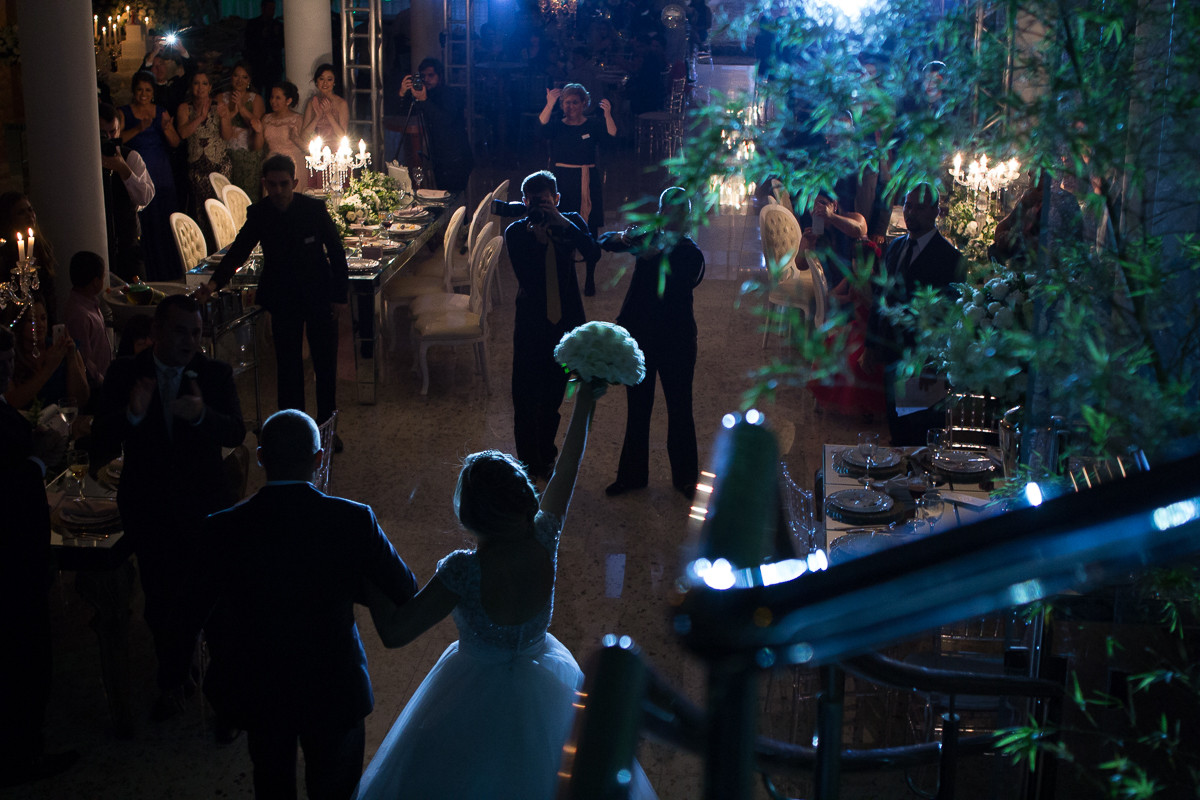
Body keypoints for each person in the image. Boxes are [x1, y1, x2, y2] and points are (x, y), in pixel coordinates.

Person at [356, 381, 656, 800]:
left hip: (470, 694)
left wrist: (367, 567)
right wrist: (585, 402)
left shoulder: (463, 571)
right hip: (546, 681)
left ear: (472, 513)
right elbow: (569, 462)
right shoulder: (543, 537)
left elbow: (394, 633)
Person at [201, 409, 419, 799]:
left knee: (271, 783)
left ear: (262, 457)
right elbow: (404, 589)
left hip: (261, 686)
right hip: (335, 685)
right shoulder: (354, 520)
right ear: (319, 459)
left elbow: (200, 607)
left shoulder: (223, 527)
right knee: (336, 788)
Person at [91, 294, 246, 720]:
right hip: (150, 507)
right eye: (180, 331)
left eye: (196, 333)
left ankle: (222, 689)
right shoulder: (126, 374)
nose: (190, 341)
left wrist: (201, 416)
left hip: (205, 509)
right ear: (156, 331)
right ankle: (172, 680)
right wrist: (133, 416)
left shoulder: (213, 374)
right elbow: (99, 438)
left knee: (213, 600)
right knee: (160, 601)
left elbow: (235, 431)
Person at [200, 155, 348, 442]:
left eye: (283, 184)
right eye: (272, 185)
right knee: (288, 368)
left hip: (318, 293)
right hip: (283, 296)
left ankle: (328, 430)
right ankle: (294, 431)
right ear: (264, 184)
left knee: (325, 366)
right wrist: (214, 283)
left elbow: (337, 252)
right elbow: (239, 251)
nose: (278, 191)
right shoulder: (261, 213)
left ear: (294, 183)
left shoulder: (314, 210)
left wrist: (339, 296)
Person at [0, 324, 76, 789]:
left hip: (19, 548)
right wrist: (39, 462)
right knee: (24, 653)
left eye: (8, 360)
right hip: (14, 553)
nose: (8, 368)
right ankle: (23, 752)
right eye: (2, 361)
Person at [600, 187, 705, 498]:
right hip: (642, 336)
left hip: (677, 338)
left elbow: (680, 277)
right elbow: (604, 242)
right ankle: (632, 476)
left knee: (680, 408)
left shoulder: (690, 252)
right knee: (638, 408)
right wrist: (623, 237)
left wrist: (656, 253)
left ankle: (686, 478)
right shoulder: (649, 238)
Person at [504, 170, 598, 480]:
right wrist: (538, 242)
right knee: (525, 399)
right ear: (524, 202)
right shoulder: (517, 232)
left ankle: (546, 455)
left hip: (565, 326)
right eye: (534, 202)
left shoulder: (570, 222)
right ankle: (528, 464)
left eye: (547, 202)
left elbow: (593, 252)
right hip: (531, 326)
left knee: (553, 398)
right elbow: (528, 280)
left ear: (557, 199)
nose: (541, 208)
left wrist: (561, 224)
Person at [867, 183, 963, 444]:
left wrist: (931, 364)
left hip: (922, 361)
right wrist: (871, 344)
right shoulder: (896, 247)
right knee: (895, 429)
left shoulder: (950, 259)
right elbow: (881, 298)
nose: (911, 212)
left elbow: (948, 318)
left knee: (918, 432)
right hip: (892, 354)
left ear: (936, 212)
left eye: (919, 207)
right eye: (908, 205)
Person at [537, 83, 616, 296]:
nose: (569, 106)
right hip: (562, 181)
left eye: (574, 102)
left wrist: (608, 114)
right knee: (561, 227)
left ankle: (590, 277)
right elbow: (542, 127)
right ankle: (565, 277)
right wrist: (550, 103)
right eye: (566, 102)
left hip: (586, 182)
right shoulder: (557, 125)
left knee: (589, 229)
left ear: (583, 104)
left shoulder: (592, 125)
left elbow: (611, 138)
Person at [121, 71, 182, 280]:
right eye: (140, 90)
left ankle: (168, 270)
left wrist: (166, 129)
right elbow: (118, 140)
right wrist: (139, 128)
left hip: (161, 171)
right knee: (144, 220)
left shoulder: (161, 111)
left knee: (163, 220)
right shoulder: (124, 113)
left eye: (148, 90)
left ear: (153, 92)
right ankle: (149, 271)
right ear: (133, 91)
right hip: (138, 172)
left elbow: (175, 142)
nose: (143, 94)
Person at [397, 58, 474, 193]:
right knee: (442, 198)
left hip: (456, 159)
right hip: (439, 160)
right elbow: (405, 114)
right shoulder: (425, 95)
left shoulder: (451, 94)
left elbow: (445, 120)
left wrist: (424, 100)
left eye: (431, 75)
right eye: (423, 76)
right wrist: (403, 93)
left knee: (455, 202)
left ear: (440, 76)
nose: (426, 79)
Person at [100, 102, 157, 283]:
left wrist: (124, 170)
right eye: (104, 134)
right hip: (99, 241)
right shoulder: (86, 159)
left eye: (113, 132)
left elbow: (145, 197)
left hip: (128, 244)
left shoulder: (131, 157)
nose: (110, 138)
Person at [1, 297, 89, 412]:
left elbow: (81, 399)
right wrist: (49, 368)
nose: (40, 325)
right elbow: (11, 402)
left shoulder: (63, 348)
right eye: (31, 320)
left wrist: (71, 358)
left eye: (43, 318)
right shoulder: (10, 356)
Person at [176, 69, 233, 235]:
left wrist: (224, 118)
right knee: (200, 211)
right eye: (196, 83)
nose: (200, 87)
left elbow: (227, 136)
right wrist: (200, 117)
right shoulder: (184, 108)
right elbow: (183, 133)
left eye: (204, 83)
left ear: (210, 87)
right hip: (197, 167)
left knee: (220, 210)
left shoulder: (220, 107)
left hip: (219, 164)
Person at [0, 192, 58, 323]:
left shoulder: (42, 247)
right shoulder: (4, 253)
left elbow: (50, 292)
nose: (29, 216)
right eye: (21, 212)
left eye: (30, 210)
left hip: (42, 318)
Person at [63, 251, 112, 390]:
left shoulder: (90, 304)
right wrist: (102, 381)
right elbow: (84, 358)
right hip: (94, 385)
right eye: (103, 277)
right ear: (96, 282)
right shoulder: (79, 314)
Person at [220, 62, 266, 202]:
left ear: (249, 80)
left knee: (248, 196)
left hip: (248, 152)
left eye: (244, 77)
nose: (239, 80)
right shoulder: (221, 98)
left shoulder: (255, 99)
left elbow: (256, 124)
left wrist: (241, 107)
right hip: (225, 151)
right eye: (236, 76)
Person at [261, 81, 306, 187]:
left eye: (278, 98)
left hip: (292, 165)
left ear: (288, 100)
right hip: (272, 164)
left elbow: (307, 148)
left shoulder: (297, 119)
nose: (273, 101)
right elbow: (259, 145)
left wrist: (295, 138)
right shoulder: (266, 118)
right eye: (272, 97)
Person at [243, 0, 284, 95]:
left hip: (274, 67)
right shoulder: (253, 24)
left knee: (273, 94)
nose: (272, 11)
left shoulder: (277, 25)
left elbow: (282, 44)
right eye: (269, 8)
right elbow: (249, 43)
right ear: (263, 9)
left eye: (273, 9)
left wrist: (277, 34)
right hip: (258, 66)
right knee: (255, 93)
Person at [302, 64, 350, 144]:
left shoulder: (341, 103)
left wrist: (329, 114)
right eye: (321, 79)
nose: (325, 83)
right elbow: (304, 136)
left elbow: (343, 136)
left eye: (329, 79)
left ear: (334, 82)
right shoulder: (312, 103)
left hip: (337, 150)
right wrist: (317, 117)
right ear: (316, 81)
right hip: (317, 149)